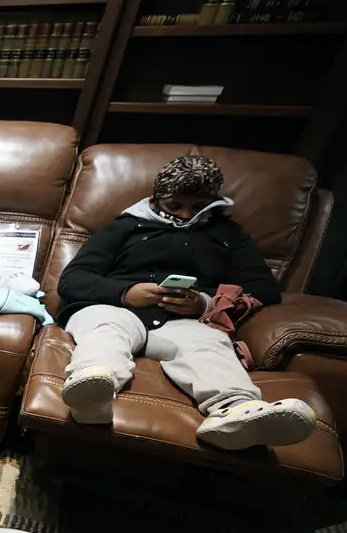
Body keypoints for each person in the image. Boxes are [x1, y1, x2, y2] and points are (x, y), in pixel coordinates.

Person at [57, 154, 316, 450]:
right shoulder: (124, 227)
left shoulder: (228, 235)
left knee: (209, 344)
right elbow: (72, 280)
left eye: (196, 207)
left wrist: (205, 303)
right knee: (106, 330)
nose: (184, 215)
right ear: (156, 199)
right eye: (175, 205)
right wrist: (126, 292)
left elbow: (264, 288)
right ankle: (92, 393)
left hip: (183, 321)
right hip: (114, 308)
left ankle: (235, 413)